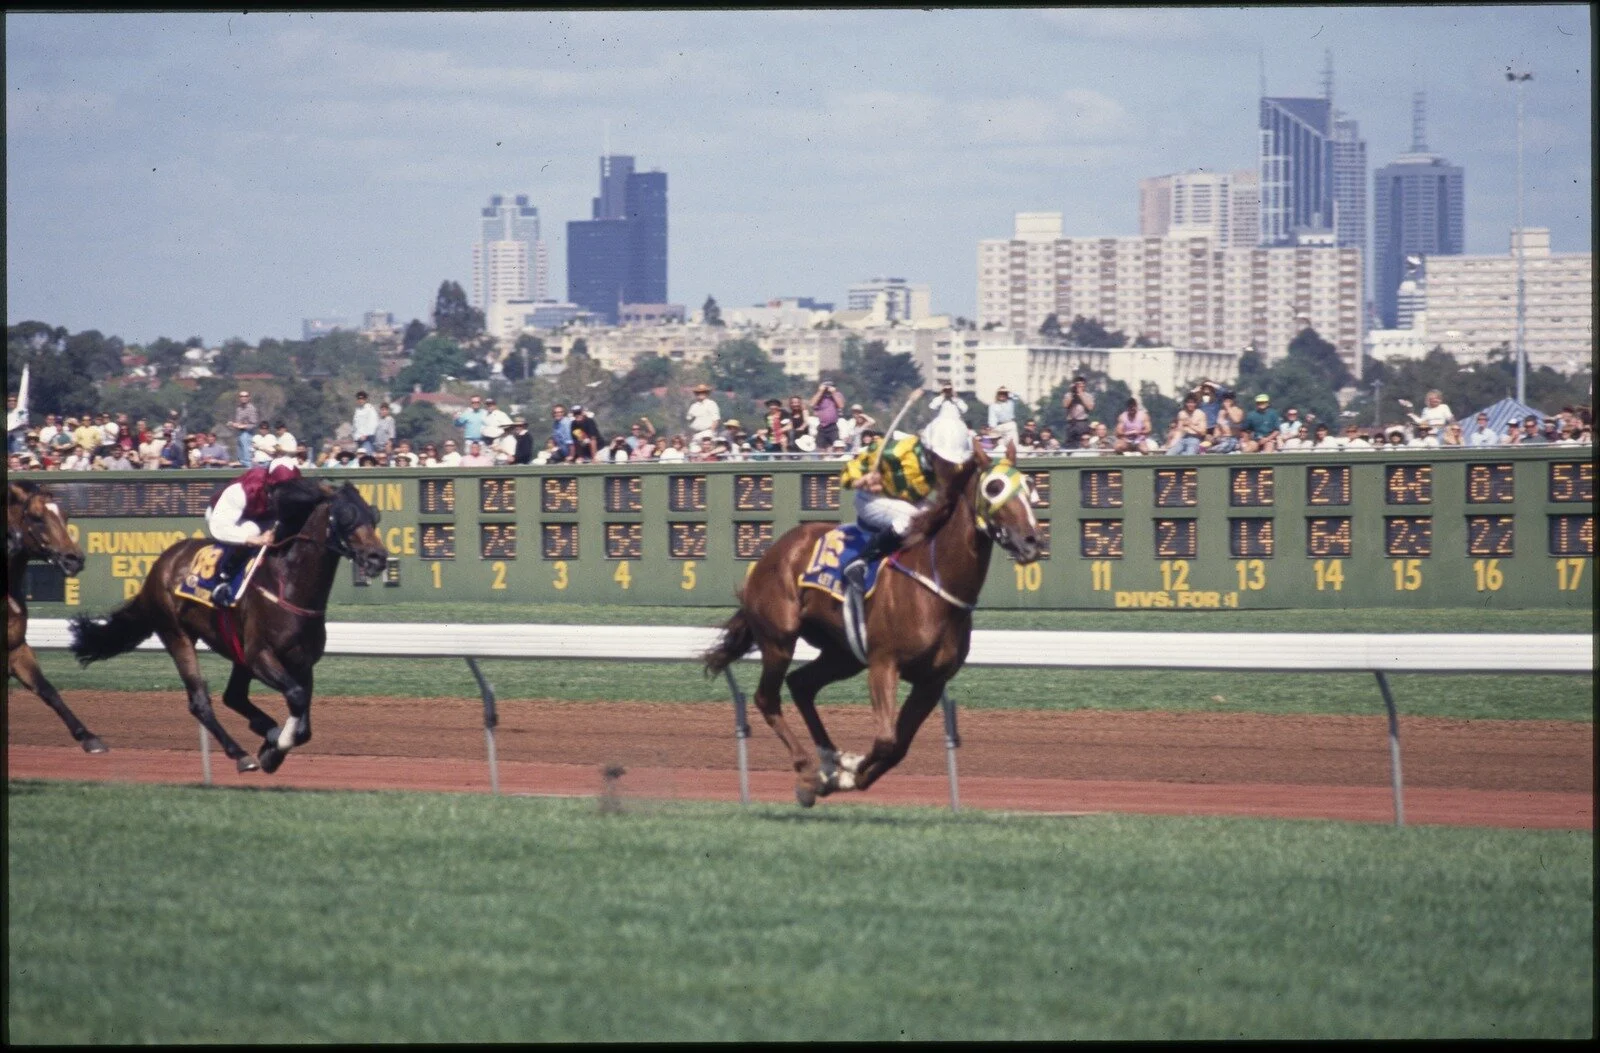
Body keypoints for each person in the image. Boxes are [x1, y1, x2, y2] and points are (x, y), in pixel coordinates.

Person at [839, 402, 973, 596]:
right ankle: (860, 562)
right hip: (871, 500)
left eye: (951, 462)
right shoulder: (894, 452)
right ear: (928, 449)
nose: (947, 466)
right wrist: (862, 480)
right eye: (943, 460)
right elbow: (847, 473)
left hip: (907, 501)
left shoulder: (950, 463)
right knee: (913, 517)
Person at [205, 460, 302, 607]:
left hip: (260, 516)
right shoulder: (243, 490)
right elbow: (220, 527)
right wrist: (253, 539)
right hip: (222, 517)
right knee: (252, 530)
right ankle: (224, 579)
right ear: (269, 484)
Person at [228, 390, 261, 468]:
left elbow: (254, 424)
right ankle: (241, 462)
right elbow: (239, 422)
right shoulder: (238, 408)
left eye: (245, 396)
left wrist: (243, 426)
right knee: (240, 450)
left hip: (248, 433)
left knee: (246, 454)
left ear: (248, 398)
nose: (243, 398)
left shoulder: (251, 408)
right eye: (242, 396)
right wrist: (233, 424)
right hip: (240, 432)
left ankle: (248, 466)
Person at [1061, 376, 1095, 447]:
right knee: (1069, 443)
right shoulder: (1069, 395)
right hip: (1071, 423)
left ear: (1084, 385)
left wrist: (1081, 394)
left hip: (1082, 422)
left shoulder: (1088, 395)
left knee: (1083, 442)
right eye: (1077, 385)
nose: (1079, 386)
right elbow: (1065, 405)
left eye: (1081, 385)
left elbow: (1090, 407)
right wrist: (1073, 393)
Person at [811, 382, 844, 449]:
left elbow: (841, 405)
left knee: (836, 445)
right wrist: (820, 391)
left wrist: (833, 393)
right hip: (822, 427)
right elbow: (812, 403)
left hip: (832, 426)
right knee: (819, 447)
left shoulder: (837, 395)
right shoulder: (820, 397)